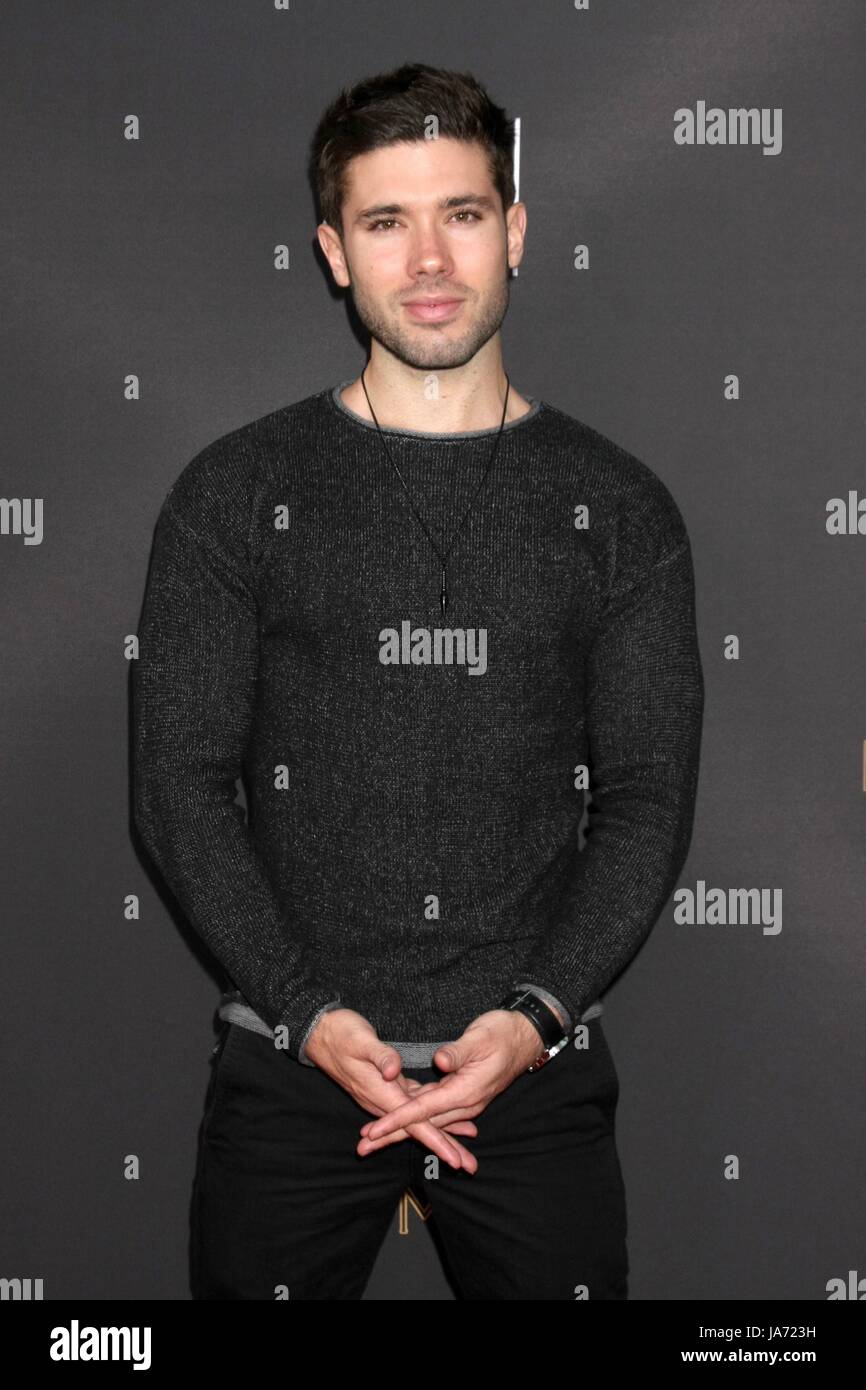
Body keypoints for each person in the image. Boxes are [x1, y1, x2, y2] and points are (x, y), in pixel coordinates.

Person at [132, 61, 705, 1301]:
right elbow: (179, 786)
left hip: (532, 1074)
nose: (429, 256)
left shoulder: (617, 508)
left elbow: (648, 795)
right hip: (288, 1068)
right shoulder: (233, 495)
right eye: (387, 221)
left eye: (460, 212)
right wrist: (308, 1016)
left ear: (515, 231)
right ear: (335, 253)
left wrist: (532, 1019)